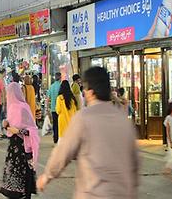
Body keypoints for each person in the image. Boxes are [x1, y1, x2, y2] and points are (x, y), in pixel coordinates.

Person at [37, 67, 139, 198]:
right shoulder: (123, 119)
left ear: (90, 92)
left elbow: (63, 152)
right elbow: (134, 162)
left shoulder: (84, 117)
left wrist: (47, 176)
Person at [0, 83, 39, 199]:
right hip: (13, 148)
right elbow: (10, 127)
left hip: (23, 148)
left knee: (24, 176)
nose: (8, 96)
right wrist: (6, 124)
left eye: (9, 93)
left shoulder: (23, 107)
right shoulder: (11, 108)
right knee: (13, 178)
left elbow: (32, 129)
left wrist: (19, 131)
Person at [47, 72, 62, 144]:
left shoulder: (51, 86)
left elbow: (48, 98)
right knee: (60, 124)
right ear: (60, 77)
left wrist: (47, 108)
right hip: (61, 109)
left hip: (53, 108)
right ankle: (60, 137)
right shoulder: (61, 86)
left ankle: (55, 138)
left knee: (55, 124)